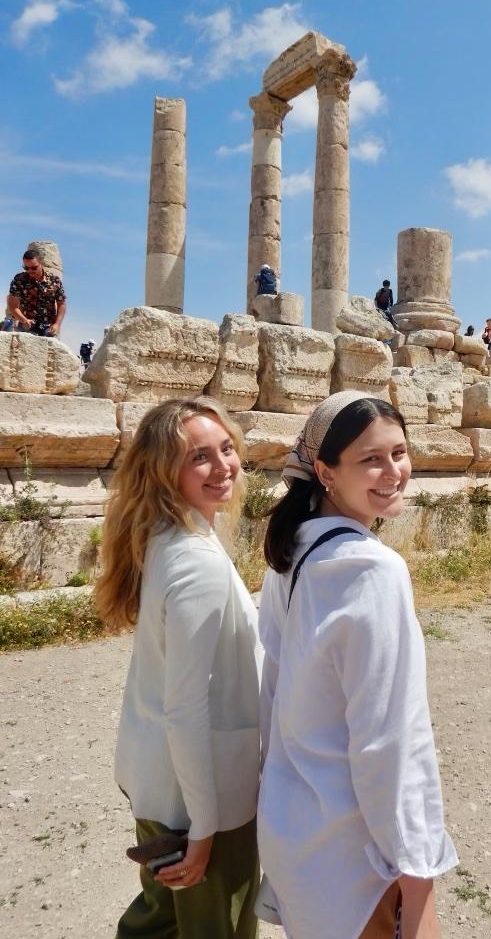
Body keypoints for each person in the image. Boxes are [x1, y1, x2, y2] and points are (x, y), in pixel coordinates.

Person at [257, 391, 458, 939]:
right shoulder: (374, 570)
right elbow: (388, 738)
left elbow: (270, 695)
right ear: (324, 471)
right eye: (371, 459)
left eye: (399, 452)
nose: (393, 472)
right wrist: (415, 862)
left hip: (297, 834)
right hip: (356, 855)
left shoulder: (291, 556)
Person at [93, 397, 261, 939]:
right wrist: (206, 831)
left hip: (163, 787)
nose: (223, 467)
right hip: (200, 801)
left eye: (227, 448)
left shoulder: (168, 537)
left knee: (159, 921)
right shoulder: (196, 561)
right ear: (166, 472)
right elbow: (185, 707)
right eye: (200, 458)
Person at [7, 249, 67, 337]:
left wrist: (57, 324)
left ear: (41, 263)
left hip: (48, 328)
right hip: (27, 326)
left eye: (34, 268)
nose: (30, 271)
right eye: (26, 268)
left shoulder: (54, 280)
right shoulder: (19, 279)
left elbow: (61, 303)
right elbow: (12, 306)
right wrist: (23, 320)